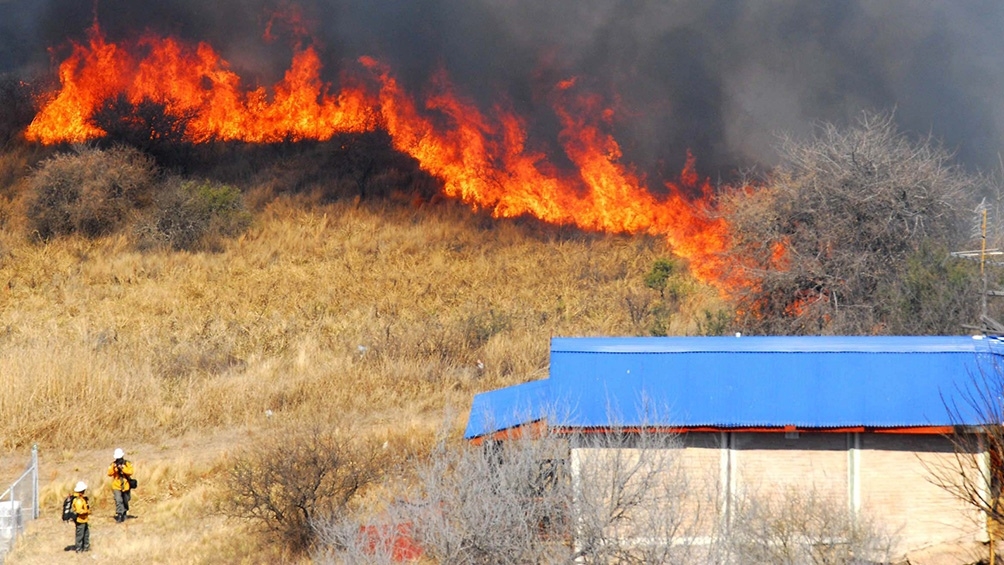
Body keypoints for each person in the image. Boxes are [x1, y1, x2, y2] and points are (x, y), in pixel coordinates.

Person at [107, 448, 135, 522]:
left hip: (126, 486)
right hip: (116, 486)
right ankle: (120, 514)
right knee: (118, 500)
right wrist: (115, 468)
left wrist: (123, 468)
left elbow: (130, 472)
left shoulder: (127, 463)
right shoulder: (113, 464)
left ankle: (124, 512)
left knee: (126, 500)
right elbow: (109, 473)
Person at [71, 481, 90, 552]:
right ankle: (79, 549)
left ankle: (85, 547)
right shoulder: (78, 500)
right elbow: (79, 511)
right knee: (80, 535)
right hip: (80, 520)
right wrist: (87, 512)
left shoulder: (81, 498)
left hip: (84, 520)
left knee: (86, 534)